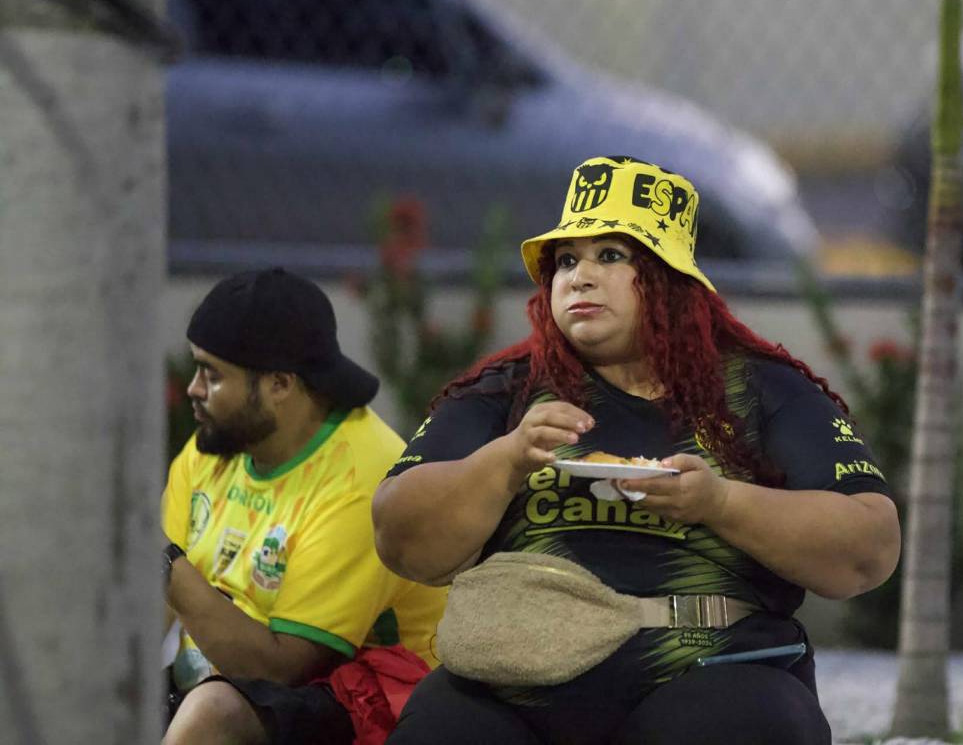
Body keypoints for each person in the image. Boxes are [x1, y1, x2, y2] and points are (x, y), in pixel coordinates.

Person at [372, 156, 902, 744]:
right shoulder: (504, 390)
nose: (580, 276)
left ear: (669, 282)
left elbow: (869, 548)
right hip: (517, 678)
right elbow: (400, 539)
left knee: (746, 725)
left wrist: (720, 503)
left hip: (708, 670)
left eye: (611, 256)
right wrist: (506, 461)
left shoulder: (761, 388)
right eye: (567, 260)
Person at [160, 267, 447, 745]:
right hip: (216, 680)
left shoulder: (361, 478)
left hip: (370, 698)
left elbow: (280, 668)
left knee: (214, 712)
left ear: (279, 385)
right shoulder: (215, 446)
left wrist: (161, 564)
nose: (193, 388)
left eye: (212, 375)